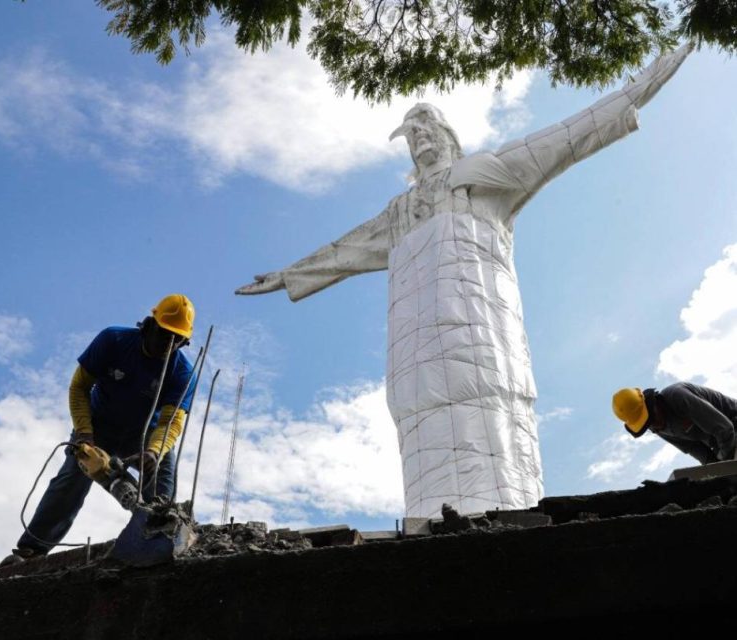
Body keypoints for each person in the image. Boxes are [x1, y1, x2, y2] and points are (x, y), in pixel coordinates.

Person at [236, 46, 691, 518]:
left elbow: (564, 139)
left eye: (428, 129)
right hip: (416, 358)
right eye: (413, 137)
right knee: (423, 433)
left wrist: (636, 92)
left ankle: (504, 518)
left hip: (480, 337)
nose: (421, 141)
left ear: (449, 135)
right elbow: (341, 251)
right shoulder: (399, 212)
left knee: (494, 431)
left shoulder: (479, 174)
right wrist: (288, 275)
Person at [0, 294, 198, 566]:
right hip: (98, 426)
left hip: (145, 437)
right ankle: (30, 551)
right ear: (149, 325)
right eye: (165, 335)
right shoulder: (114, 341)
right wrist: (83, 433)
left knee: (162, 493)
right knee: (71, 480)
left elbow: (170, 422)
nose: (170, 344)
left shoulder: (182, 372)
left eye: (178, 340)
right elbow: (79, 386)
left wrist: (154, 452)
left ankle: (156, 548)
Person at [612, 382, 737, 464]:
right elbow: (695, 449)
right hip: (722, 446)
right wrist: (714, 471)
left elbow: (725, 429)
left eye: (652, 419)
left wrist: (723, 461)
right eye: (647, 425)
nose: (654, 426)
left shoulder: (677, 396)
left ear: (652, 403)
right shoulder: (658, 428)